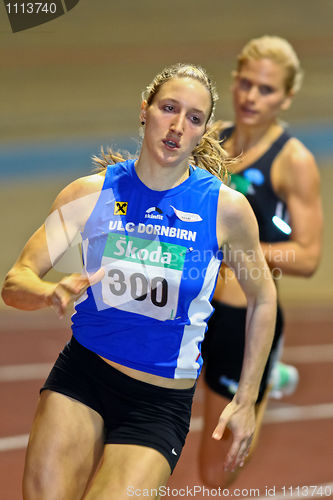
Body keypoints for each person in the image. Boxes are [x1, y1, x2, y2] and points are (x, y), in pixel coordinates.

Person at [2, 63, 277, 500]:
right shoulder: (89, 195)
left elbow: (263, 299)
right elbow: (17, 280)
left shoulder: (224, 209)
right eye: (169, 108)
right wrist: (46, 292)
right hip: (84, 376)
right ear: (145, 111)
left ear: (203, 130)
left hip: (157, 404)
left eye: (193, 117)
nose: (177, 126)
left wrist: (245, 399)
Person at [199, 36, 323, 488]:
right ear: (233, 81)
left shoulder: (293, 161)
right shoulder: (211, 141)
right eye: (246, 83)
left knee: (214, 473)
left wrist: (237, 250)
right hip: (189, 308)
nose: (252, 97)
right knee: (151, 428)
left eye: (267, 89)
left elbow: (307, 257)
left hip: (241, 316)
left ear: (287, 96)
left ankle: (268, 363)